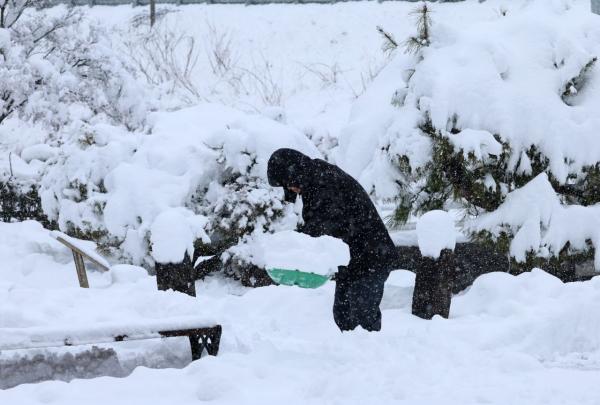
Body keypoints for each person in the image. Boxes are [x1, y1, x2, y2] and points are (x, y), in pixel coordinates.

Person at [267, 148, 399, 331]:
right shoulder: (313, 180)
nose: (289, 188)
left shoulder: (324, 181)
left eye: (288, 182)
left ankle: (368, 356)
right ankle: (353, 355)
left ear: (294, 172)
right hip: (355, 257)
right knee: (344, 314)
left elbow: (323, 226)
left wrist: (295, 246)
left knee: (362, 317)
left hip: (373, 255)